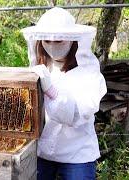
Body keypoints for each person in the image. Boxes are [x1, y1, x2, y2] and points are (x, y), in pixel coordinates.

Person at [21, 7, 107, 180]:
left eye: (59, 41)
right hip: (44, 148)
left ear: (72, 41)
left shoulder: (88, 73)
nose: (52, 46)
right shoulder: (42, 67)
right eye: (46, 41)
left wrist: (51, 90)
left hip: (77, 152)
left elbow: (76, 115)